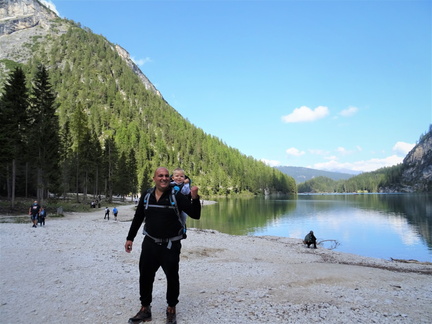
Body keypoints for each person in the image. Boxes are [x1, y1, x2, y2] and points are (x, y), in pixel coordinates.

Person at [125, 167, 201, 324]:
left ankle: (171, 309)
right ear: (154, 178)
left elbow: (195, 214)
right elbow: (138, 216)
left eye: (167, 176)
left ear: (170, 179)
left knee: (172, 278)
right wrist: (130, 238)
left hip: (171, 245)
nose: (164, 178)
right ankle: (145, 309)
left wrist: (195, 197)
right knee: (145, 277)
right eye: (160, 176)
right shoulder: (147, 195)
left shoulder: (177, 196)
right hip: (150, 243)